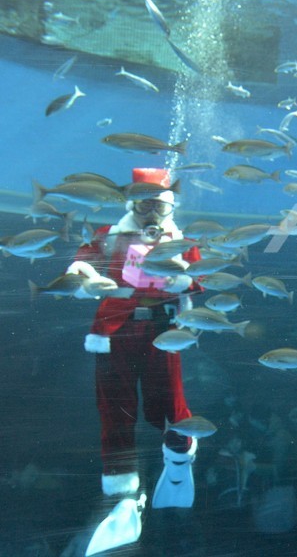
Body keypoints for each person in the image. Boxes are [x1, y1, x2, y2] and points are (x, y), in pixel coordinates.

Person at [66, 168, 202, 553]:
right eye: (144, 203)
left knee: (170, 405)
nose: (151, 212)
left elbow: (199, 278)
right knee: (114, 410)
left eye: (158, 204)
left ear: (167, 205)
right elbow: (80, 265)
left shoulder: (181, 240)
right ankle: (124, 494)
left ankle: (178, 463)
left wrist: (178, 278)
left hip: (164, 331)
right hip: (114, 333)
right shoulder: (109, 235)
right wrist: (85, 276)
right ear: (132, 202)